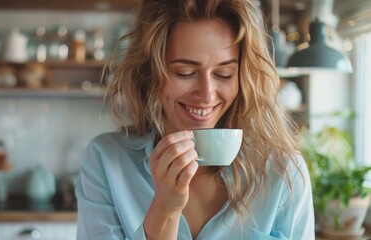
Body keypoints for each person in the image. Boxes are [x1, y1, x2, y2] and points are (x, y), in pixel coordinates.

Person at [75, 0, 315, 239]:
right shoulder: (106, 160)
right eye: (185, 73)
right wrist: (164, 211)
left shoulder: (283, 172)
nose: (207, 94)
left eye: (224, 74)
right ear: (149, 73)